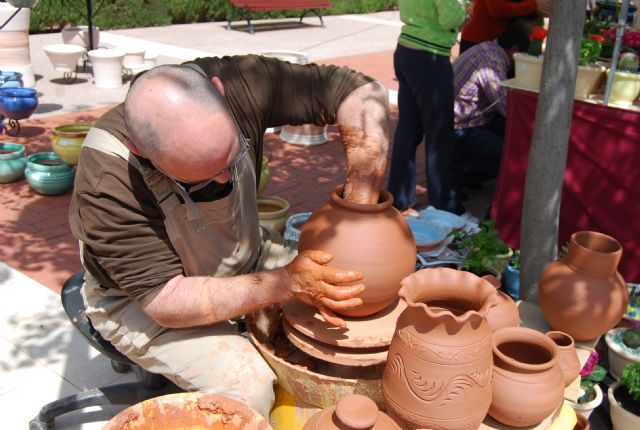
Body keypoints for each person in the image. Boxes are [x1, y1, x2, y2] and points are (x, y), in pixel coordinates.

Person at [68, 55, 390, 418]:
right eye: (201, 180)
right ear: (140, 151)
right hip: (141, 299)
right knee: (248, 388)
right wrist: (285, 284)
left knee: (349, 279)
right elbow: (165, 300)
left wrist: (362, 196)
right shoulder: (107, 181)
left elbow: (360, 90)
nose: (223, 180)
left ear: (221, 93)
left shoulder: (239, 84)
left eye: (231, 158)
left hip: (242, 253)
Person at [386, 0, 468, 217]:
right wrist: (464, 12)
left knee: (408, 130)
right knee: (439, 135)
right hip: (429, 56)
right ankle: (445, 206)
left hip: (406, 51)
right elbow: (450, 18)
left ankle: (398, 197)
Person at [452, 19, 532, 195]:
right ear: (515, 50)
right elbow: (505, 106)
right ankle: (458, 175)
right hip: (459, 127)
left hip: (463, 117)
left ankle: (467, 174)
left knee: (507, 130)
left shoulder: (489, 48)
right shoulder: (492, 62)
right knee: (508, 152)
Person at [460, 0, 550, 53]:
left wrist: (539, 9)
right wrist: (534, 6)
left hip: (503, 45)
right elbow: (497, 10)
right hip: (478, 42)